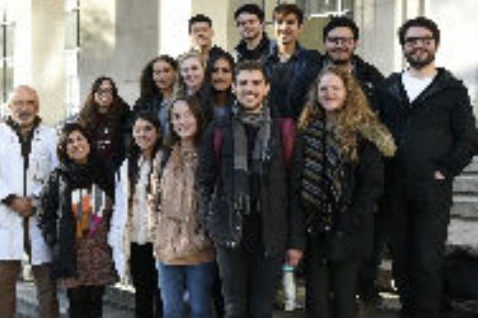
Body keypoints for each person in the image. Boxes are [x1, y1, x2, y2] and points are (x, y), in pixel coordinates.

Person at [378, 16, 478, 318]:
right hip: (395, 187)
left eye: (425, 39)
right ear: (403, 46)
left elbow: (468, 138)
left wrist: (445, 170)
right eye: (412, 40)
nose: (418, 45)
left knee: (428, 259)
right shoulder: (389, 87)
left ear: (435, 44)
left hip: (432, 188)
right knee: (402, 259)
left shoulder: (452, 89)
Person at [198, 60, 304, 318]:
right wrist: (210, 224)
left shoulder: (285, 131)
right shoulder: (217, 130)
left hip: (271, 233)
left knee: (261, 308)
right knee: (234, 308)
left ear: (267, 88)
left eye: (256, 83)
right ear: (233, 87)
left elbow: (294, 191)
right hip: (230, 230)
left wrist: (295, 242)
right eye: (243, 83)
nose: (250, 89)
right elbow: (204, 182)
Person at [291, 65, 396, 318]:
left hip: (349, 227)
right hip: (315, 228)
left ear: (348, 93)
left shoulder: (364, 133)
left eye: (335, 88)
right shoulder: (306, 132)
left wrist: (349, 223)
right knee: (316, 301)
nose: (329, 93)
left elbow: (372, 185)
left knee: (344, 297)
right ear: (316, 93)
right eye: (323, 89)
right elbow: (297, 181)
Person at [320, 15, 387, 306]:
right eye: (334, 40)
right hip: (317, 212)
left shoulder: (373, 78)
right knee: (319, 296)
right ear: (325, 43)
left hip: (355, 203)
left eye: (346, 40)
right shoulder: (309, 73)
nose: (340, 45)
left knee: (348, 289)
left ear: (355, 43)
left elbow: (384, 127)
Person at [0, 85, 59, 318]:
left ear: (38, 106)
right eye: (19, 103)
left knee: (47, 283)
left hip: (39, 214)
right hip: (7, 214)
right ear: (10, 107)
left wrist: (36, 201)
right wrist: (11, 200)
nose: (24, 108)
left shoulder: (50, 135)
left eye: (30, 102)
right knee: (3, 285)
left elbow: (56, 173)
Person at [38, 123, 117, 318]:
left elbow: (117, 206)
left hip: (99, 250)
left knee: (95, 305)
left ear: (88, 142)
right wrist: (54, 241)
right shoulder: (59, 176)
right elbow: (45, 214)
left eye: (80, 139)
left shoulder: (104, 171)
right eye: (70, 142)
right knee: (77, 306)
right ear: (64, 149)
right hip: (72, 251)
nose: (76, 144)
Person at [150, 97, 215, 318]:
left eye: (188, 115)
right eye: (177, 116)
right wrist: (156, 233)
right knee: (172, 311)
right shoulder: (164, 155)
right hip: (167, 249)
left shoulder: (209, 153)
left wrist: (204, 235)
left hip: (200, 248)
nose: (182, 121)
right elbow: (153, 199)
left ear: (198, 117)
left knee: (200, 310)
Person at [108, 113, 164, 318]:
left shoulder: (165, 160)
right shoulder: (128, 164)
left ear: (158, 132)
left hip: (160, 240)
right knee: (142, 296)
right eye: (138, 130)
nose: (142, 134)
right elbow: (121, 206)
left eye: (148, 129)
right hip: (136, 240)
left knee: (162, 296)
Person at [264, 3, 321, 119]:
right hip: (271, 129)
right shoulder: (263, 62)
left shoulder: (312, 60)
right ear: (273, 27)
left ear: (300, 27)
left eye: (290, 22)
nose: (284, 28)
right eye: (279, 22)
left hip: (303, 127)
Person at [78, 76, 132, 172]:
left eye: (109, 91)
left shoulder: (124, 114)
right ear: (94, 93)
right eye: (100, 91)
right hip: (92, 170)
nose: (105, 94)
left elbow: (128, 144)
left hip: (117, 170)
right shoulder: (85, 117)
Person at [133, 55, 179, 139]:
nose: (162, 76)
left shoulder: (184, 98)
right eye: (157, 72)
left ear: (175, 72)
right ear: (152, 76)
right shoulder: (144, 103)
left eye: (166, 71)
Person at [205, 51, 236, 124]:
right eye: (215, 71)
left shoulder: (240, 106)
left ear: (233, 75)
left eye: (225, 71)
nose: (220, 76)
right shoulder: (199, 105)